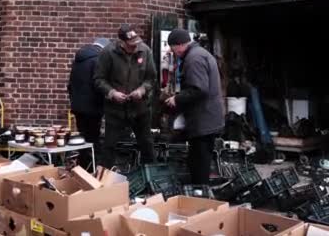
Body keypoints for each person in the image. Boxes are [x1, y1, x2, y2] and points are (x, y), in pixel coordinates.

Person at [164, 29, 224, 185]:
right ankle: (200, 193)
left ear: (179, 45)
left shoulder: (193, 59)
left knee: (199, 162)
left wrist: (177, 99)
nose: (173, 52)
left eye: (172, 48)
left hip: (203, 119)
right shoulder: (201, 53)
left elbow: (199, 89)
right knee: (199, 159)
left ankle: (199, 195)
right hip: (208, 118)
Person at [94, 24, 157, 168]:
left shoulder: (145, 51)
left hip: (140, 108)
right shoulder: (108, 53)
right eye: (131, 45)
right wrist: (112, 93)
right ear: (121, 43)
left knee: (147, 144)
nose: (135, 47)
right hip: (115, 110)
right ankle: (103, 179)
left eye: (137, 43)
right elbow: (98, 79)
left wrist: (142, 90)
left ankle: (151, 178)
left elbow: (151, 78)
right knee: (109, 146)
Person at [68, 37, 111, 170]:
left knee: (83, 139)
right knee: (93, 140)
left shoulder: (79, 59)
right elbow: (98, 85)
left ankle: (82, 168)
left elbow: (70, 85)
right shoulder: (98, 60)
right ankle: (93, 170)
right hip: (93, 108)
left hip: (77, 107)